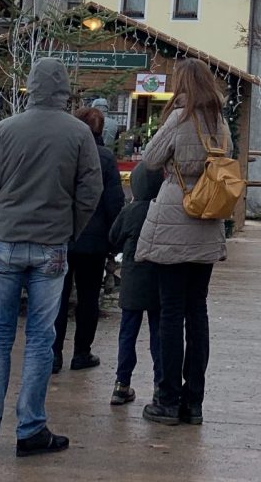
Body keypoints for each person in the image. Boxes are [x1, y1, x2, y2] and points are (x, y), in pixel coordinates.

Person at [0, 58, 101, 457]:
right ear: (64, 91)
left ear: (29, 87)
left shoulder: (5, 130)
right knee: (42, 339)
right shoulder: (78, 134)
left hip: (6, 241)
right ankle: (30, 429)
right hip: (52, 246)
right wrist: (70, 230)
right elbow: (89, 191)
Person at [136, 59, 232, 427]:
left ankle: (167, 399)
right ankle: (194, 403)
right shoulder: (220, 122)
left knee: (171, 313)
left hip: (176, 218)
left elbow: (150, 158)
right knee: (198, 311)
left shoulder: (180, 117)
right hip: (208, 222)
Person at [54, 106, 125, 373]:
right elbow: (114, 201)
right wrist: (115, 240)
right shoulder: (105, 158)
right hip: (94, 241)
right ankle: (81, 352)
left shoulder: (65, 152)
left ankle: (54, 353)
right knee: (88, 298)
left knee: (57, 297)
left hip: (61, 234)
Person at [108, 162, 164, 406]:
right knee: (158, 335)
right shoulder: (163, 210)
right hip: (158, 281)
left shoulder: (130, 212)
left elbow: (114, 239)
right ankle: (160, 386)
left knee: (127, 334)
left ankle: (122, 384)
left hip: (131, 280)